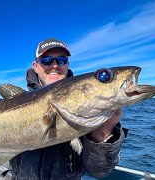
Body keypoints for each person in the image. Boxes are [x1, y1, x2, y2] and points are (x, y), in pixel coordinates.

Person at [8, 38, 126, 180]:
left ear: (67, 65)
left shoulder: (93, 109)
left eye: (61, 60)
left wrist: (104, 134)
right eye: (47, 60)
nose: (55, 65)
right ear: (36, 66)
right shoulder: (13, 103)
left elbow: (99, 171)